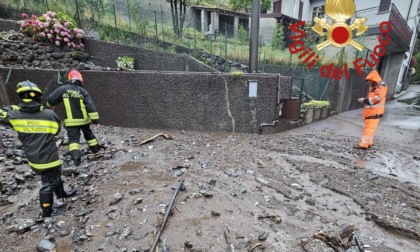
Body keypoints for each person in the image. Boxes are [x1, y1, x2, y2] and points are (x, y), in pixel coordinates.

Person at [0, 81, 76, 217]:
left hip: (34, 157)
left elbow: (3, 113)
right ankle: (47, 212)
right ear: (38, 97)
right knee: (48, 183)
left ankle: (61, 194)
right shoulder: (49, 115)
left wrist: (13, 108)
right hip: (49, 156)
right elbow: (56, 130)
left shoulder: (14, 116)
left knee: (55, 175)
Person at [47, 70, 100, 166]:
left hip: (71, 122)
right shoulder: (83, 91)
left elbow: (50, 100)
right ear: (80, 80)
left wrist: (50, 105)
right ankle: (97, 151)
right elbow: (90, 106)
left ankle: (76, 159)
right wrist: (96, 121)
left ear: (69, 79)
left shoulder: (63, 89)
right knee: (89, 136)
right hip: (84, 121)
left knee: (73, 140)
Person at [355, 70, 388, 150]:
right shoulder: (375, 86)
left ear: (374, 79)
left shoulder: (381, 86)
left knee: (369, 128)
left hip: (374, 112)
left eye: (370, 81)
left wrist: (364, 100)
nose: (369, 83)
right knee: (371, 128)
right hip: (372, 112)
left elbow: (377, 98)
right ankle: (369, 142)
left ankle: (363, 144)